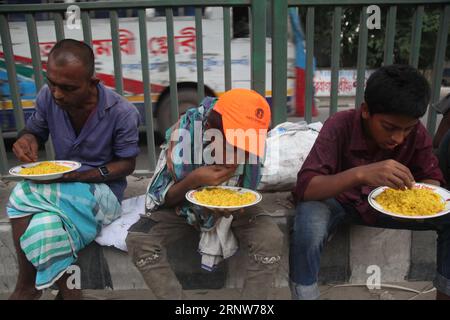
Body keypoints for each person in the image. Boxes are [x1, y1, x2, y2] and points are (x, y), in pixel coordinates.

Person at [289, 64, 450, 300]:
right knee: (309, 221)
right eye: (389, 127)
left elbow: (431, 179)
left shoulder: (416, 133)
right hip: (340, 202)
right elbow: (307, 187)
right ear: (366, 110)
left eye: (407, 129)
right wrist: (360, 174)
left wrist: (414, 199)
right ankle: (305, 294)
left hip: (391, 208)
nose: (398, 138)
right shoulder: (340, 125)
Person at [7, 39, 140, 299]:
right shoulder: (49, 97)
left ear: (92, 82)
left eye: (67, 88)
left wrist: (82, 175)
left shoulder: (122, 112)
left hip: (104, 195)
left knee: (22, 194)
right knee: (45, 226)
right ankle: (69, 296)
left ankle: (27, 288)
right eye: (52, 82)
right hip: (62, 192)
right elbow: (35, 130)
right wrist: (27, 139)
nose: (57, 93)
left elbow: (127, 164)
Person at [126, 88, 283, 299]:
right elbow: (163, 198)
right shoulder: (184, 136)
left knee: (270, 238)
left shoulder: (252, 138)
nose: (240, 150)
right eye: (232, 143)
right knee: (139, 239)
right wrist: (194, 180)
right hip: (184, 208)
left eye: (245, 143)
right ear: (210, 129)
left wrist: (235, 204)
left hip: (235, 208)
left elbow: (246, 190)